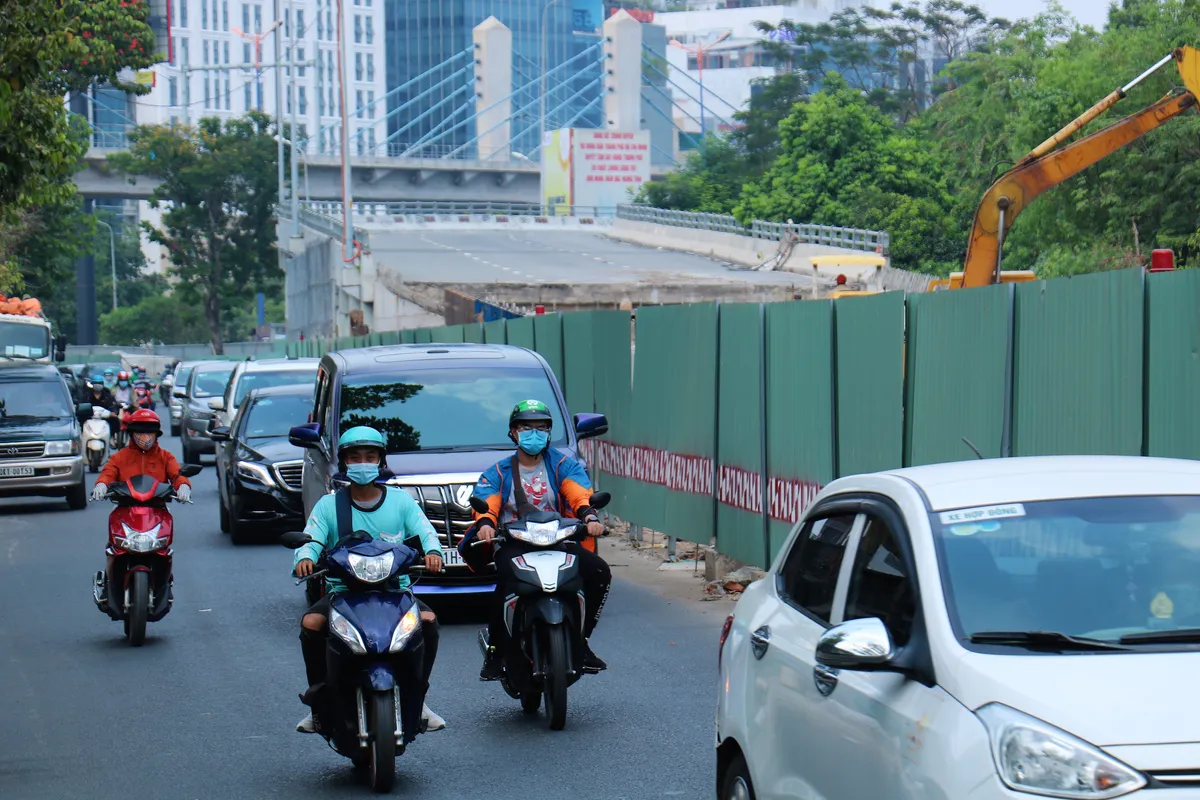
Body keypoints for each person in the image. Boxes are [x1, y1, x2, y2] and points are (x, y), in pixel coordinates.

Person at [292, 426, 447, 735]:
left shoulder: (400, 501)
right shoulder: (329, 505)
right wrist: (305, 557)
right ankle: (319, 701)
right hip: (343, 593)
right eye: (354, 457)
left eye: (370, 456)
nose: (362, 462)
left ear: (380, 461)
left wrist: (432, 551)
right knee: (311, 623)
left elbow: (425, 529)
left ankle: (419, 696)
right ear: (344, 463)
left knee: (427, 621)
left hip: (395, 592)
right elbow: (312, 537)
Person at [462, 399, 612, 681]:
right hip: (515, 542)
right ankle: (497, 650)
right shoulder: (498, 471)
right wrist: (485, 524)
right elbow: (487, 501)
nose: (534, 433)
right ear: (513, 433)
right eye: (526, 427)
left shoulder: (564, 464)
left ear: (549, 432)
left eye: (541, 428)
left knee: (598, 571)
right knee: (505, 584)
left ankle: (582, 641)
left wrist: (590, 519)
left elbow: (579, 494)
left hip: (560, 540)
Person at [91, 409, 192, 604]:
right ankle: (109, 583)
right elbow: (108, 472)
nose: (145, 437)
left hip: (157, 511)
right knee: (114, 546)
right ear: (131, 434)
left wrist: (183, 487)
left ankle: (164, 585)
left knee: (164, 550)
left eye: (149, 433)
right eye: (140, 432)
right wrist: (101, 485)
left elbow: (177, 475)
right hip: (125, 510)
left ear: (156, 435)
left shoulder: (165, 457)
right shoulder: (120, 457)